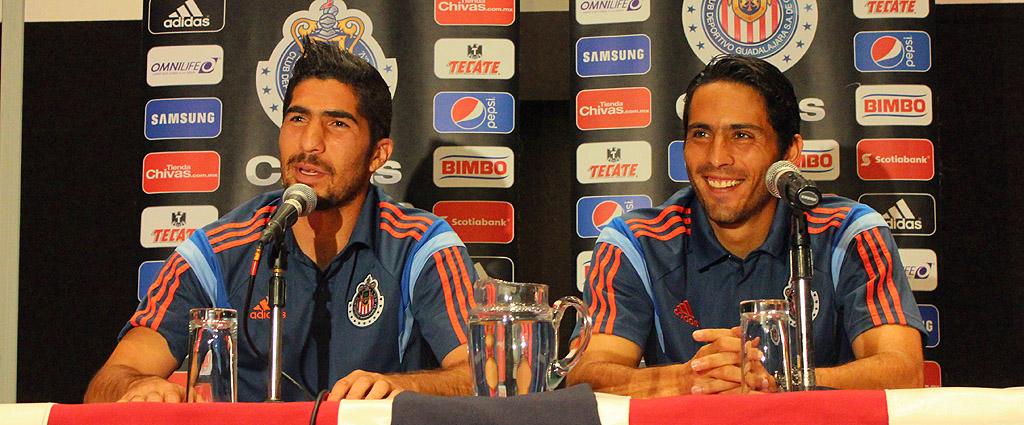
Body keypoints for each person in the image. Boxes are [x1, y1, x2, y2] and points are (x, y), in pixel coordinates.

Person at [85, 39, 478, 402]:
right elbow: (110, 379)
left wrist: (403, 388)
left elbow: (480, 375)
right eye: (297, 119)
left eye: (337, 124)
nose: (310, 143)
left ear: (378, 154)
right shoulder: (219, 250)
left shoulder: (421, 245)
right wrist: (138, 387)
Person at [566, 55, 926, 396]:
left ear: (789, 152)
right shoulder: (636, 242)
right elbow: (585, 375)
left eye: (742, 136)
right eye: (701, 134)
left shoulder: (848, 233)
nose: (717, 157)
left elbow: (903, 371)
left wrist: (775, 382)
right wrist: (693, 378)